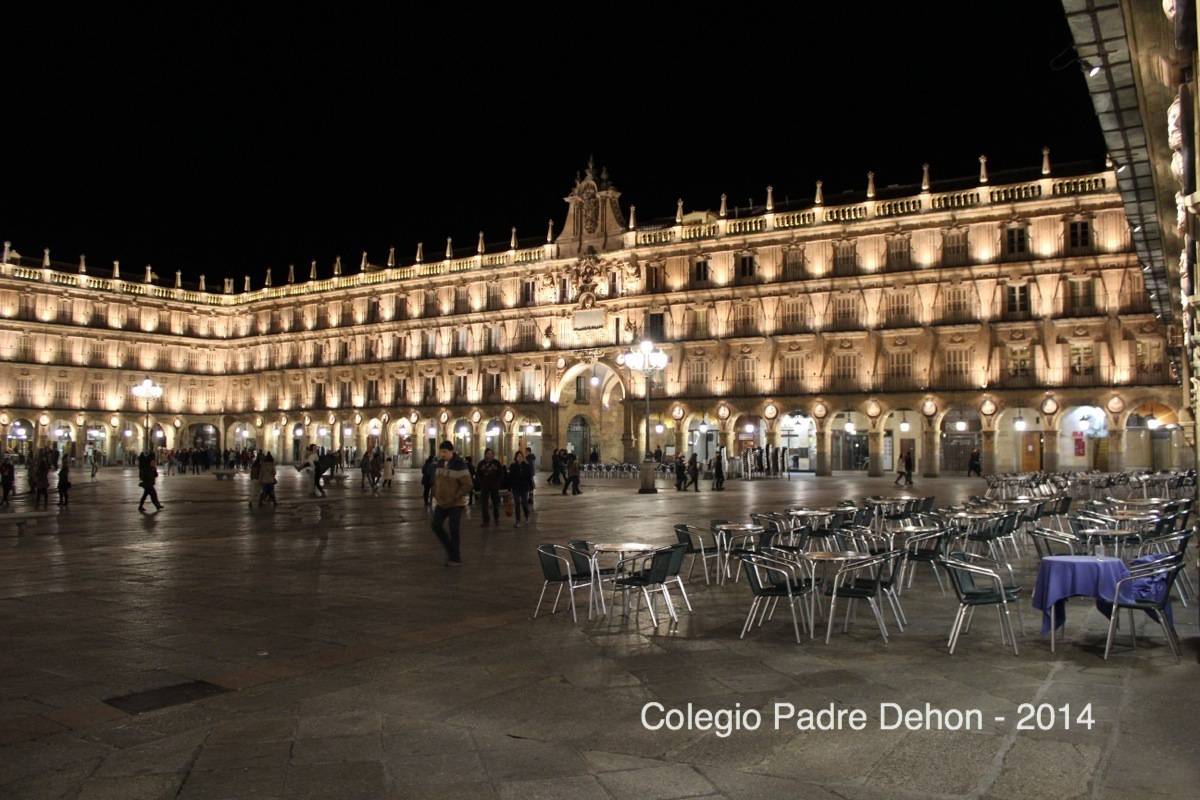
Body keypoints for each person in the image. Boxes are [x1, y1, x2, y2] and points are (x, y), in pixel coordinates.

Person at [431, 441, 473, 566]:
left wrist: (456, 495)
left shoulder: (459, 464)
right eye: (441, 451)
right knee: (436, 525)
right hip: (442, 502)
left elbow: (468, 484)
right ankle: (450, 549)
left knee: (454, 529)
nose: (442, 454)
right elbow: (437, 481)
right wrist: (435, 493)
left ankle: (455, 558)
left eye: (445, 452)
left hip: (455, 503)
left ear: (451, 451)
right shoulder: (439, 463)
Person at [476, 448, 505, 525]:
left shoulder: (496, 463)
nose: (489, 455)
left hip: (494, 486)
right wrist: (481, 482)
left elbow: (501, 473)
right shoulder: (481, 463)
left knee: (495, 503)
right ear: (485, 454)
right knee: (484, 504)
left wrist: (498, 482)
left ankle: (496, 519)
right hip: (484, 486)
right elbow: (478, 474)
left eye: (491, 453)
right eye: (488, 453)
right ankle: (486, 520)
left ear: (493, 455)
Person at [508, 450, 533, 527]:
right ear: (515, 458)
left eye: (521, 457)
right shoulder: (512, 466)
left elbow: (529, 477)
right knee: (517, 503)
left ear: (523, 458)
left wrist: (531, 488)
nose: (519, 458)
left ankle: (526, 516)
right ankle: (518, 520)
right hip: (516, 487)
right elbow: (510, 477)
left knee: (524, 503)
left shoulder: (526, 466)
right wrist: (509, 488)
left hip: (524, 487)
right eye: (518, 457)